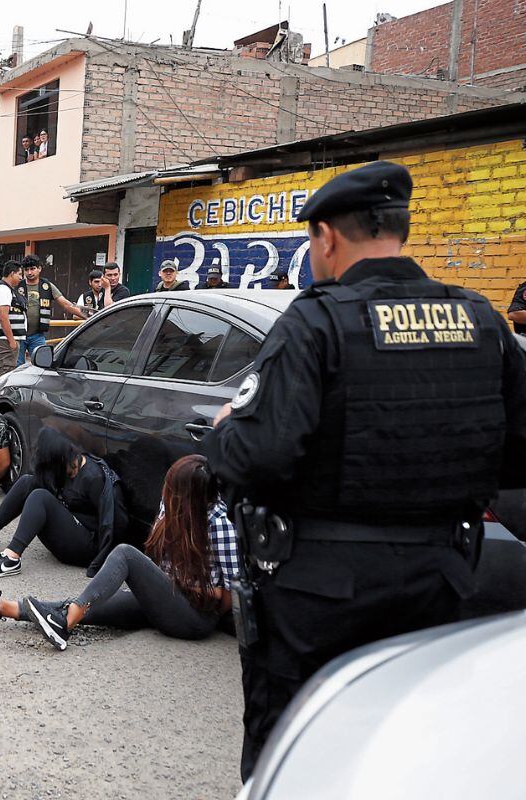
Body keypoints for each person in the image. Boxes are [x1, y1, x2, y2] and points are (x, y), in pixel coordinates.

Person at [202, 160, 526, 781]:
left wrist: (225, 431)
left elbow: (259, 458)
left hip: (319, 593)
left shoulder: (315, 321)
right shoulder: (479, 318)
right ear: (398, 229)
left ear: (326, 238)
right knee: (408, 750)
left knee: (295, 753)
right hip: (441, 578)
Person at [0, 454, 239, 649]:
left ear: (190, 497)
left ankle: (65, 623)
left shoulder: (220, 524)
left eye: (173, 489)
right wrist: (159, 585)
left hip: (194, 617)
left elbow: (228, 599)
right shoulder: (171, 506)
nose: (166, 492)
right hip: (164, 596)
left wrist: (177, 585)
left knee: (124, 554)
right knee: (88, 605)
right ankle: (0, 607)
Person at [0, 427, 131, 579]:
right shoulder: (66, 466)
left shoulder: (93, 478)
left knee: (40, 497)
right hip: (74, 525)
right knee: (27, 481)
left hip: (88, 548)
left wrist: (106, 560)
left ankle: (11, 558)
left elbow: (116, 523)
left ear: (58, 459)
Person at [16, 254, 87, 366]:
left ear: (39, 268)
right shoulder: (17, 286)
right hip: (18, 335)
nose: (29, 272)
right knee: (17, 366)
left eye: (33, 269)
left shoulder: (47, 286)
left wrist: (88, 317)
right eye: (27, 270)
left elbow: (66, 305)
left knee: (42, 364)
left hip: (37, 335)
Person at [0, 261, 26, 381]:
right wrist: (11, 341)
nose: (21, 278)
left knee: (6, 369)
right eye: (19, 274)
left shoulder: (8, 289)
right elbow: (3, 317)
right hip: (6, 339)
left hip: (8, 338)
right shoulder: (3, 289)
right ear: (12, 274)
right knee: (6, 370)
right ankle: (0, 392)